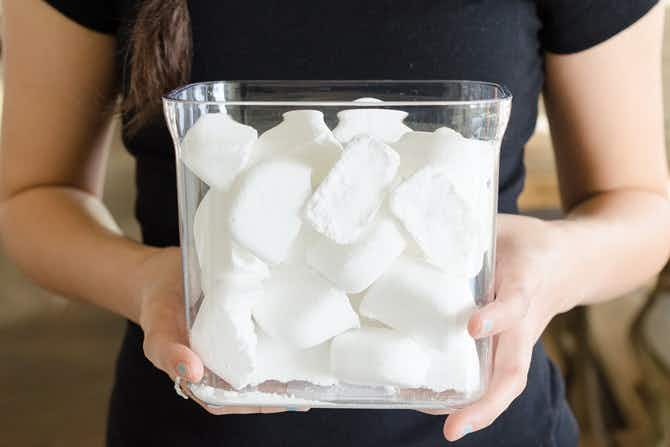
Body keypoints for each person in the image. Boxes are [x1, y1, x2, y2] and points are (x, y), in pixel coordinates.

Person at [1, 0, 668, 445]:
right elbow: (31, 194)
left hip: (478, 416)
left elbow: (643, 207)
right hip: (190, 414)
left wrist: (550, 265)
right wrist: (149, 281)